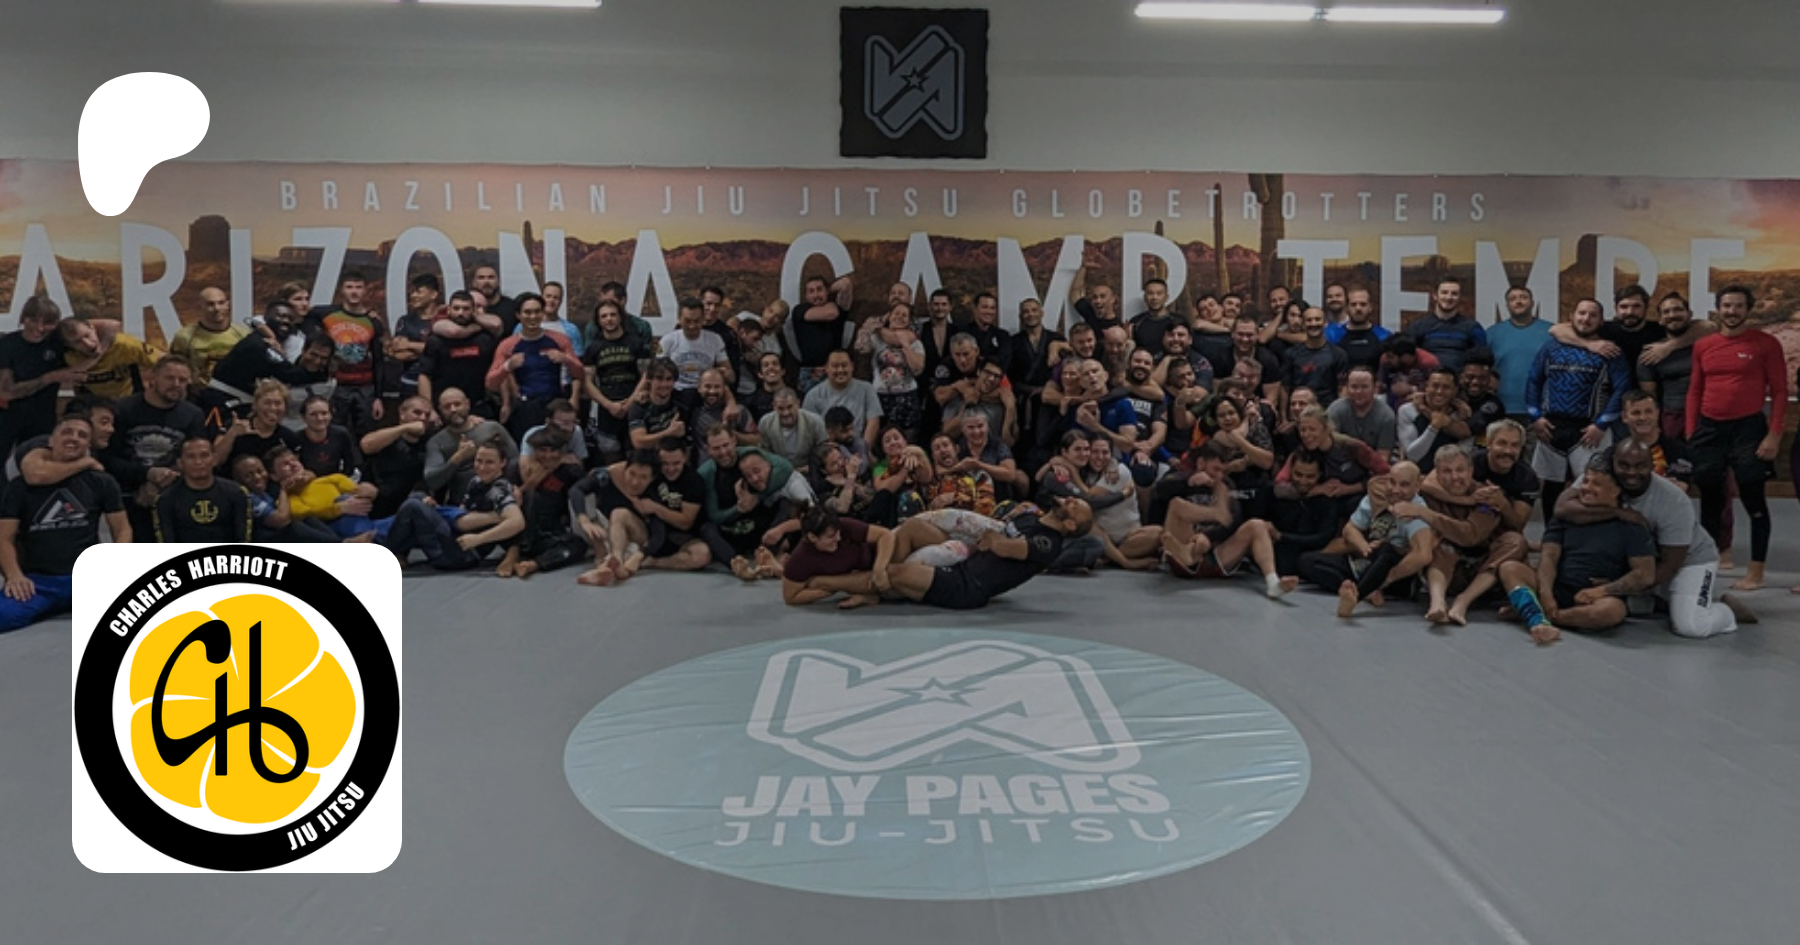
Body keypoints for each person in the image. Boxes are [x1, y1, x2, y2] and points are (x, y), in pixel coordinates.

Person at [1554, 440, 1750, 639]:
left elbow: (1671, 564)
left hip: (1688, 561)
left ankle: (1727, 612)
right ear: (1614, 462)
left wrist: (1613, 588)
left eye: (1640, 466)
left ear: (1652, 466)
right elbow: (1562, 507)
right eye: (1624, 465)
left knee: (1690, 626)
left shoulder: (1673, 500)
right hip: (1641, 559)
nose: (1631, 472)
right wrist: (1620, 513)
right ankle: (1660, 602)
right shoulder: (1604, 476)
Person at [1685, 285, 1786, 591]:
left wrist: (1774, 435)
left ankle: (1756, 571)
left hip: (1748, 430)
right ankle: (1707, 566)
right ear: (1718, 308)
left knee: (1754, 499)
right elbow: (1695, 390)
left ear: (1748, 309)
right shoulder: (1703, 345)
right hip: (1709, 430)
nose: (1732, 311)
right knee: (1710, 501)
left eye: (1738, 306)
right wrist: (1691, 431)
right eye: (1727, 305)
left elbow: (1780, 392)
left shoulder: (1765, 344)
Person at [1497, 456, 1657, 644]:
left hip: (1598, 596)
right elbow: (1549, 556)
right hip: (1558, 586)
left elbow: (1645, 574)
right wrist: (1546, 593)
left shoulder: (1631, 525)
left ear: (1615, 491)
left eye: (1596, 484)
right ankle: (1537, 618)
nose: (1587, 487)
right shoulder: (1567, 516)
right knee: (1509, 568)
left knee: (1611, 612)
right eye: (1586, 481)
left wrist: (1602, 591)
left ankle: (1544, 614)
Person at [0, 414, 129, 632]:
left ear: (88, 446)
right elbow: (4, 538)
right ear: (51, 440)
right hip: (39, 581)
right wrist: (14, 576)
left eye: (82, 435)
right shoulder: (19, 486)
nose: (74, 438)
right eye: (67, 432)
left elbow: (122, 529)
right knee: (4, 615)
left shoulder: (102, 482)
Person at [870, 494, 1093, 610]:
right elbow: (996, 529)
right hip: (970, 554)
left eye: (1074, 506)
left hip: (966, 585)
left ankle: (862, 587)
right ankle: (879, 586)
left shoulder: (1048, 544)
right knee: (912, 527)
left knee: (895, 573)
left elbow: (1002, 546)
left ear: (1070, 525)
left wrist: (994, 539)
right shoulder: (1031, 518)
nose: (1070, 499)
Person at [1525, 298, 1630, 515]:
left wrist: (1601, 424)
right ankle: (1552, 532)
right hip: (1550, 428)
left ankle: (1587, 533)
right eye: (1582, 313)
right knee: (1551, 488)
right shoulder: (1551, 347)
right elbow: (1534, 380)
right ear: (1571, 317)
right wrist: (1535, 417)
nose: (1586, 319)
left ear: (1601, 321)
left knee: (1592, 484)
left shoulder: (1610, 351)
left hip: (1589, 430)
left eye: (1593, 315)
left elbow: (1621, 389)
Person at [1159, 441, 1296, 599]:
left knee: (1257, 525)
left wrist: (1208, 536)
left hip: (1216, 553)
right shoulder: (1182, 476)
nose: (1219, 475)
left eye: (1222, 471)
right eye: (1215, 469)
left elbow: (1234, 520)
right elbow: (1159, 490)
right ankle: (1190, 548)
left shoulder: (1227, 485)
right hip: (1182, 549)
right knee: (1176, 504)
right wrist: (1188, 481)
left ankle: (1273, 583)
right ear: (1201, 463)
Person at [1300, 462, 1435, 618]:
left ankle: (1355, 596)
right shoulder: (1378, 496)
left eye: (1404, 485)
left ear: (1417, 486)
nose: (1395, 490)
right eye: (1392, 482)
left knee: (1387, 550)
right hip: (1367, 561)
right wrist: (1364, 546)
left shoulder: (1417, 511)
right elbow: (1349, 529)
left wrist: (1388, 578)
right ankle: (1365, 588)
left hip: (1396, 575)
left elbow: (1423, 555)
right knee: (1306, 560)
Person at [1413, 443, 1527, 626]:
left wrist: (1429, 516)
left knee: (1515, 541)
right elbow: (1381, 484)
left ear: (1470, 471)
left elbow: (1471, 535)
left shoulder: (1487, 495)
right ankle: (1437, 603)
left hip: (1482, 568)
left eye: (1460, 470)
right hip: (1447, 566)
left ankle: (1463, 602)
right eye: (1447, 471)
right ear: (1437, 474)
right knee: (1436, 543)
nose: (1455, 477)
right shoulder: (1425, 493)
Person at [104, 356, 207, 541]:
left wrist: (159, 482)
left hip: (174, 493)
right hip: (128, 495)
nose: (176, 384)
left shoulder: (193, 415)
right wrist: (147, 475)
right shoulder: (123, 409)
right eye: (169, 378)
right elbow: (107, 457)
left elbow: (196, 458)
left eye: (183, 380)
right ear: (153, 377)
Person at [0, 297, 79, 475]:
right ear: (23, 318)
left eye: (48, 323)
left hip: (42, 418)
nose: (40, 328)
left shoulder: (58, 343)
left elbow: (110, 327)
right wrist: (50, 377)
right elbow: (6, 392)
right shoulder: (8, 344)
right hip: (7, 416)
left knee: (34, 468)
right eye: (33, 320)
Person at [487, 292, 577, 440]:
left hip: (555, 403)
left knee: (559, 447)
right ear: (518, 315)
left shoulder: (560, 340)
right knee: (528, 447)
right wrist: (507, 367)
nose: (533, 316)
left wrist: (566, 360)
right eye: (527, 312)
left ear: (543, 313)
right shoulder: (508, 345)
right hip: (526, 407)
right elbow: (491, 383)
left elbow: (580, 373)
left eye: (537, 311)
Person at [312, 271, 388, 435]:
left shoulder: (373, 322)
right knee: (333, 431)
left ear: (365, 291)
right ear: (342, 290)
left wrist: (378, 397)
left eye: (358, 287)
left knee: (366, 433)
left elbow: (379, 360)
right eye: (349, 287)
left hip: (365, 387)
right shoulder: (325, 314)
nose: (354, 292)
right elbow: (303, 317)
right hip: (335, 385)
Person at [579, 298, 652, 463]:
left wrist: (631, 402)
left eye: (613, 315)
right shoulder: (593, 348)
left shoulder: (636, 343)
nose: (609, 319)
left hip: (635, 405)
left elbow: (646, 375)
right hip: (607, 408)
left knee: (638, 454)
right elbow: (587, 382)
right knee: (610, 454)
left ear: (620, 317)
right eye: (604, 316)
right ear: (598, 321)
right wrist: (608, 405)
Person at [781, 506, 890, 608]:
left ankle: (871, 595)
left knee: (900, 533)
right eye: (831, 536)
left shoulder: (845, 526)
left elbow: (885, 534)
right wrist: (831, 587)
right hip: (861, 577)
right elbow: (791, 597)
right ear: (812, 537)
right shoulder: (800, 558)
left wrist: (879, 568)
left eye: (838, 533)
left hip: (879, 558)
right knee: (895, 574)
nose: (838, 538)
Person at [423, 387, 518, 500]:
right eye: (447, 407)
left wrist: (513, 486)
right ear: (440, 410)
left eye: (457, 404)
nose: (453, 409)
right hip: (461, 500)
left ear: (467, 404)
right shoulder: (436, 442)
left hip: (499, 493)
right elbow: (432, 481)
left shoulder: (492, 428)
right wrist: (458, 457)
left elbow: (515, 459)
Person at [153, 437, 253, 542]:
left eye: (204, 455)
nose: (198, 462)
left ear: (214, 459)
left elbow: (243, 538)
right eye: (191, 457)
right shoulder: (165, 500)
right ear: (180, 463)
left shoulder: (237, 493)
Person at [418, 290, 501, 413]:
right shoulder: (436, 340)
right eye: (456, 308)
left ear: (473, 310)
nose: (460, 313)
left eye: (466, 309)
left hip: (479, 404)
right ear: (449, 310)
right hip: (445, 406)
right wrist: (428, 409)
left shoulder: (485, 338)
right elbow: (424, 375)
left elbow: (498, 370)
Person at [856, 301, 926, 440]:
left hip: (907, 397)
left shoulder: (915, 343)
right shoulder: (877, 339)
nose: (900, 317)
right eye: (896, 313)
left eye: (904, 315)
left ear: (909, 321)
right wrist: (871, 328)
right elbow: (861, 348)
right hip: (881, 396)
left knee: (907, 440)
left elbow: (918, 369)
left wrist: (905, 345)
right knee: (881, 439)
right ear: (889, 316)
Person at [1487, 284, 1552, 425]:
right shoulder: (1492, 333)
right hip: (1501, 407)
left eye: (1523, 297)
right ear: (1507, 305)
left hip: (1541, 410)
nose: (1518, 301)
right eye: (1513, 299)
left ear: (1532, 303)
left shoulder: (1550, 331)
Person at [59, 316, 158, 400]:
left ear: (92, 328)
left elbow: (163, 362)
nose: (88, 344)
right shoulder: (68, 357)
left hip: (129, 399)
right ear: (69, 345)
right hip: (93, 403)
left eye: (87, 335)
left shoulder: (124, 344)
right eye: (77, 342)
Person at [169, 286, 248, 387]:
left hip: (237, 391)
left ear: (227, 305)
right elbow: (174, 368)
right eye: (210, 304)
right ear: (200, 306)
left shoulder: (244, 335)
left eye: (221, 303)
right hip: (199, 392)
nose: (217, 308)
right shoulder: (184, 337)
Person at [1405, 275, 1486, 373]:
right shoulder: (1418, 326)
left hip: (1460, 381)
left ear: (1460, 297)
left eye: (1454, 294)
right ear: (1435, 296)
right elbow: (1406, 358)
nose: (1449, 297)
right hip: (1427, 380)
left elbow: (1482, 360)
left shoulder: (1472, 327)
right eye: (1444, 292)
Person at [1397, 368, 1471, 474]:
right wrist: (1433, 428)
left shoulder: (1462, 413)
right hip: (1416, 474)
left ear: (1455, 390)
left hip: (1449, 475)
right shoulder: (1408, 410)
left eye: (1446, 387)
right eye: (1435, 386)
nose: (1439, 391)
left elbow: (1463, 455)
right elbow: (1413, 455)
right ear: (1426, 387)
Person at [803, 350, 883, 446]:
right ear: (826, 368)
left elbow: (873, 420)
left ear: (852, 366)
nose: (840, 370)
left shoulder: (866, 389)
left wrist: (864, 449)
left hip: (859, 445)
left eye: (844, 365)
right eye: (835, 366)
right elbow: (810, 430)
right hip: (827, 447)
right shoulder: (813, 395)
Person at [661, 296, 733, 401]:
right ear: (679, 319)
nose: (692, 326)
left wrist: (722, 373)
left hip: (706, 394)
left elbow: (730, 376)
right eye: (687, 321)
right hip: (675, 393)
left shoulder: (715, 340)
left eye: (697, 321)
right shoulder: (668, 340)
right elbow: (655, 373)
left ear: (703, 319)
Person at [1283, 306, 1349, 405]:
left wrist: (1340, 412)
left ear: (1325, 323)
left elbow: (1342, 388)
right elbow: (1285, 387)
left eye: (1317, 319)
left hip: (1328, 409)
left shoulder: (1338, 354)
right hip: (1299, 408)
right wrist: (1283, 414)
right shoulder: (1291, 354)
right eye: (1309, 320)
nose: (1313, 323)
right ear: (1303, 324)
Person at [1327, 367, 1397, 454]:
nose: (1359, 391)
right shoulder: (1335, 409)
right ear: (1347, 388)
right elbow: (1328, 445)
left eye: (1364, 387)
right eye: (1354, 387)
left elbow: (1383, 455)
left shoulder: (1386, 416)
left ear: (1375, 388)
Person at [1323, 287, 1391, 375]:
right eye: (1353, 304)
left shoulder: (1384, 336)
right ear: (1347, 308)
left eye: (1363, 304)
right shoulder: (1332, 336)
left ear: (1370, 307)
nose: (1358, 308)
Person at [758, 388, 827, 473]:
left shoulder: (815, 421)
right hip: (778, 472)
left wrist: (813, 467)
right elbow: (764, 453)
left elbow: (824, 450)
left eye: (790, 407)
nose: (786, 413)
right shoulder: (765, 423)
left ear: (798, 403)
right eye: (780, 408)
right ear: (774, 406)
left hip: (810, 471)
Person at [296, 394, 362, 478]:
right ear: (304, 417)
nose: (320, 418)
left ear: (331, 415)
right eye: (313, 414)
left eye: (324, 413)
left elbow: (350, 465)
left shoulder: (341, 434)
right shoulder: (296, 439)